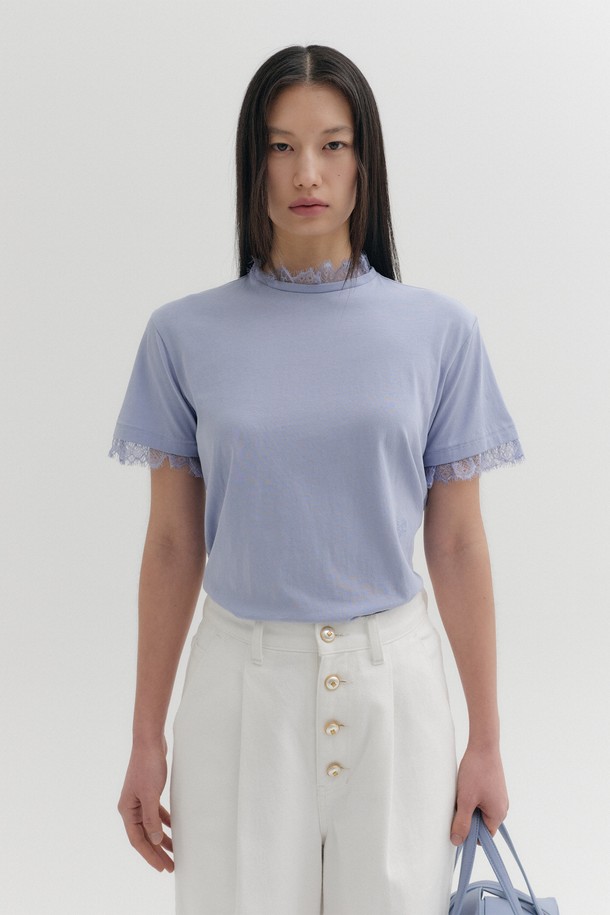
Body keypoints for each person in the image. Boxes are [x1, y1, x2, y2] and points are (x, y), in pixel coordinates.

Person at [110, 44, 524, 915]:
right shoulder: (182, 336)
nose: (307, 172)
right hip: (238, 692)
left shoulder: (440, 333)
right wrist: (145, 737)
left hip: (397, 691)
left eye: (333, 144)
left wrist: (486, 738)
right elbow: (174, 543)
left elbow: (456, 542)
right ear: (251, 161)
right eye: (281, 145)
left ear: (364, 161)